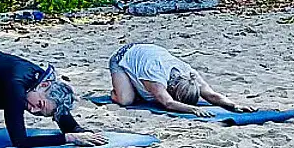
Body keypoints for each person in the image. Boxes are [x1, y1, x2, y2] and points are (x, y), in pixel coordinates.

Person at [109, 43, 257, 117]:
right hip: (123, 57)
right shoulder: (156, 76)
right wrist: (194, 109)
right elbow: (168, 103)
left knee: (148, 96)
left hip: (148, 53)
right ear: (172, 89)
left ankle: (135, 86)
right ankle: (116, 91)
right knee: (126, 100)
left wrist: (234, 106)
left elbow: (211, 95)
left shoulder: (189, 73)